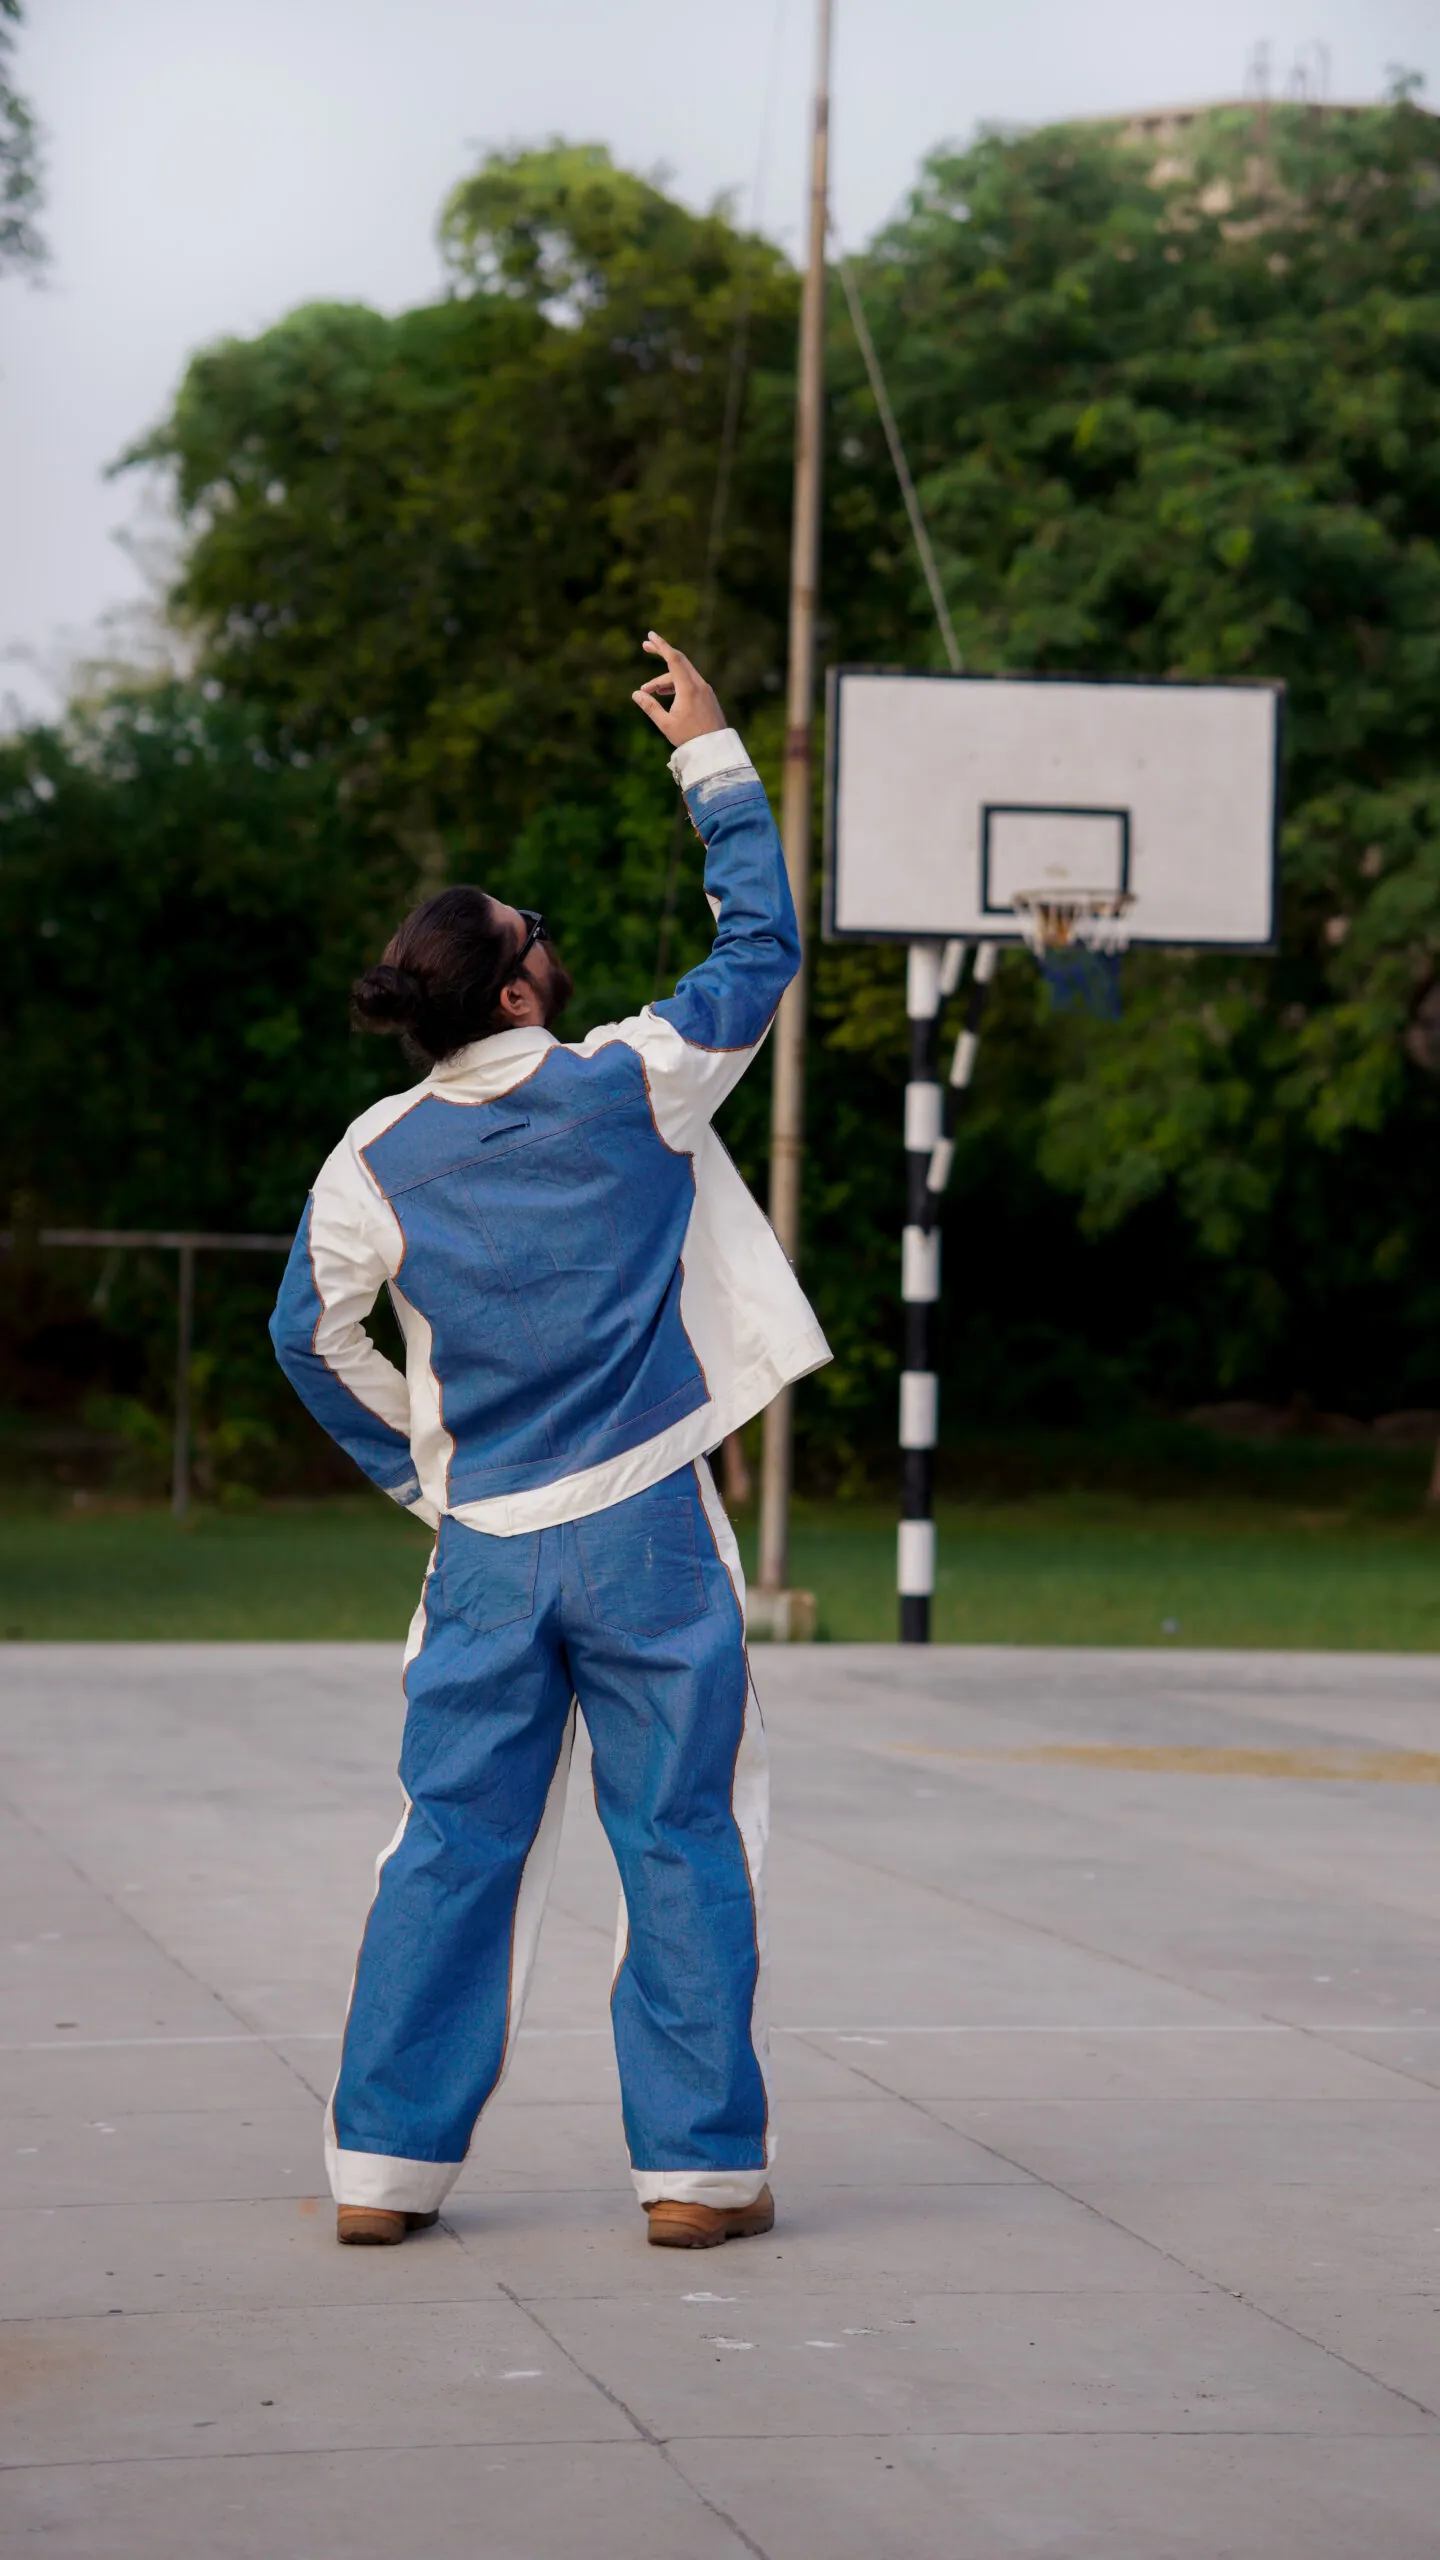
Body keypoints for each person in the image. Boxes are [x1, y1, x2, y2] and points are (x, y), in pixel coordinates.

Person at [269, 634, 829, 2250]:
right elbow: (762, 941)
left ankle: (382, 2174)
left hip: (490, 1548)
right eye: (537, 937)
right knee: (684, 1837)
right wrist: (710, 756)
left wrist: (417, 1473)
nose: (551, 942)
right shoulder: (636, 1083)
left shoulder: (369, 1157)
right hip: (651, 1523)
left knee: (450, 1846)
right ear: (516, 988)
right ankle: (699, 2175)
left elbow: (310, 1337)